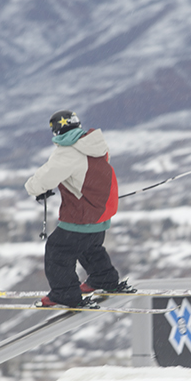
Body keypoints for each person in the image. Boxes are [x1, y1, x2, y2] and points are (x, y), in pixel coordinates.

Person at [24, 110, 135, 308]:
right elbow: (83, 176)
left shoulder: (68, 152)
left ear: (56, 131)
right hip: (100, 214)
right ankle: (103, 279)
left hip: (81, 217)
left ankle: (65, 294)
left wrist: (33, 188)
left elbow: (45, 178)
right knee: (90, 248)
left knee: (57, 251)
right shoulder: (96, 146)